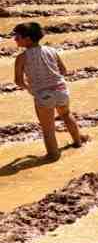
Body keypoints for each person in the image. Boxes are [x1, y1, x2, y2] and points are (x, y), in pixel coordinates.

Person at [12, 22, 87, 160]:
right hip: (61, 89)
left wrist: (30, 89)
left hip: (43, 94)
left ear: (27, 39)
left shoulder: (22, 57)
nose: (14, 39)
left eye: (17, 37)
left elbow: (18, 80)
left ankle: (53, 155)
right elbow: (63, 70)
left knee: (48, 129)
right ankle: (78, 142)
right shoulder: (51, 50)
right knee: (66, 115)